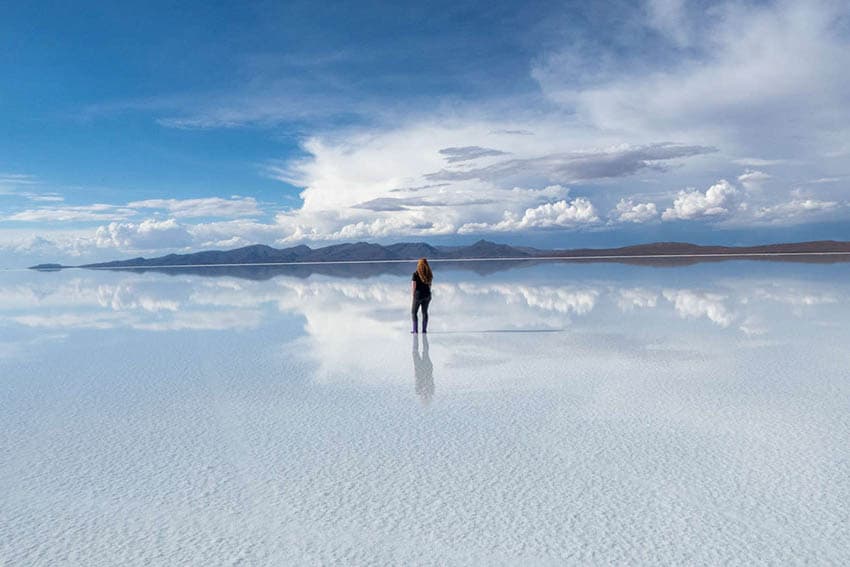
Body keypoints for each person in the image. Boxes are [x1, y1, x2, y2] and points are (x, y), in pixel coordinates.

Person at [411, 257, 432, 334]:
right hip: (427, 295)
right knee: (425, 312)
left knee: (414, 312)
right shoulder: (429, 274)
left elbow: (414, 286)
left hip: (418, 296)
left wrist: (413, 295)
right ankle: (424, 330)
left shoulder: (415, 274)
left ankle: (415, 330)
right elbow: (430, 286)